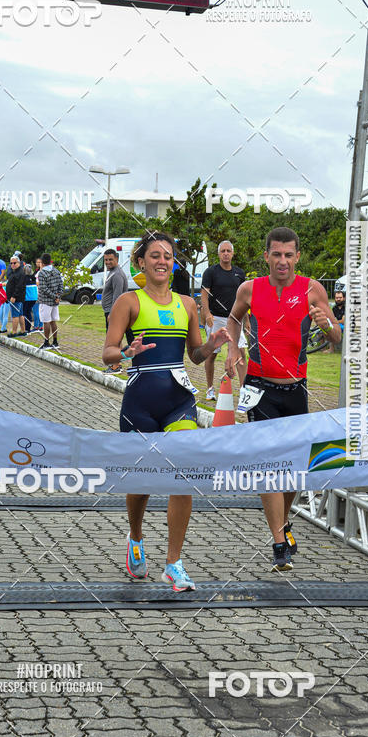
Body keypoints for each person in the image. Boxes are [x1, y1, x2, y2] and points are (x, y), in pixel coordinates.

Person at [103, 230, 231, 592]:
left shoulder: (187, 304)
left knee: (184, 473)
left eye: (168, 256)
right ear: (141, 262)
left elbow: (194, 355)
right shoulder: (128, 302)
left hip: (178, 400)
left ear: (174, 263)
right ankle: (136, 538)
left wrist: (212, 345)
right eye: (155, 255)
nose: (162, 261)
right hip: (139, 401)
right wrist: (127, 353)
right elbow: (107, 352)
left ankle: (174, 563)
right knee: (141, 481)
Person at [225, 227, 341, 572]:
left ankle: (284, 523)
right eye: (276, 254)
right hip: (260, 388)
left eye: (289, 255)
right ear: (266, 256)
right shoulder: (250, 288)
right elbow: (233, 319)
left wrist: (325, 324)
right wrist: (233, 346)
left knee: (294, 470)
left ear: (297, 257)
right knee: (268, 467)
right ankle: (279, 542)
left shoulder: (311, 289)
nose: (283, 261)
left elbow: (335, 334)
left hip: (296, 389)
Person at [201, 240, 247, 399]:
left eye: (228, 251)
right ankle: (209, 389)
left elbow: (244, 299)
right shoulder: (211, 272)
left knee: (241, 352)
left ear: (232, 253)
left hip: (235, 320)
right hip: (217, 319)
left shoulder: (239, 274)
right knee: (211, 354)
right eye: (223, 251)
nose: (226, 253)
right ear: (219, 254)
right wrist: (207, 314)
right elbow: (204, 295)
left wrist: (246, 321)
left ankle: (243, 390)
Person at [101, 248, 128, 373]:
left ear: (116, 259)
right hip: (109, 311)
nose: (108, 262)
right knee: (116, 338)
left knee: (113, 340)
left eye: (110, 259)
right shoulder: (112, 272)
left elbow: (117, 297)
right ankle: (117, 363)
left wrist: (112, 314)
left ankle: (115, 366)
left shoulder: (117, 274)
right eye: (106, 260)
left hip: (114, 312)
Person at [37, 253, 63, 349]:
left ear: (42, 263)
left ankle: (46, 342)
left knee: (46, 322)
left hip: (45, 301)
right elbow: (61, 285)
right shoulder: (56, 271)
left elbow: (43, 288)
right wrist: (58, 296)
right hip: (55, 301)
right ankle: (55, 342)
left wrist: (53, 296)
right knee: (53, 321)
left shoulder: (42, 273)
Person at [6, 255, 27, 337]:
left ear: (19, 263)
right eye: (11, 263)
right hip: (15, 297)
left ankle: (14, 332)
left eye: (14, 263)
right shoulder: (13, 271)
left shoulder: (20, 272)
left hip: (17, 298)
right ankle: (23, 330)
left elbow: (19, 286)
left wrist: (14, 296)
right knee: (20, 314)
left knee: (15, 315)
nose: (13, 265)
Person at [326, 289, 346, 354]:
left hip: (346, 326)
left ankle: (331, 349)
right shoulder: (335, 308)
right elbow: (331, 318)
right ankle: (322, 348)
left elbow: (343, 321)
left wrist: (334, 321)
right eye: (337, 298)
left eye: (340, 298)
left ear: (344, 298)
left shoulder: (346, 307)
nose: (338, 299)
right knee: (322, 329)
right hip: (337, 325)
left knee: (332, 329)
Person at [23, 263, 38, 333]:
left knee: (25, 312)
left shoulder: (24, 279)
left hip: (27, 298)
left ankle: (27, 328)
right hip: (34, 298)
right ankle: (28, 327)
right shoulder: (33, 278)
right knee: (28, 312)